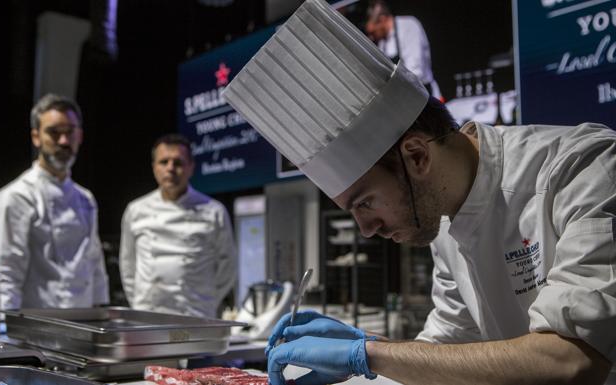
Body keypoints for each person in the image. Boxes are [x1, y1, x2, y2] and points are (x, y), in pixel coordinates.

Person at [223, 0, 615, 384]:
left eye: (364, 202)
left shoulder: (583, 167)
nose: (365, 230)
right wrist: (368, 345)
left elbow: (572, 361)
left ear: (416, 156)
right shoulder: (443, 221)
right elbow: (446, 349)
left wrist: (368, 355)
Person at [0, 93, 110, 309]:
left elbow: (94, 264)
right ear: (36, 137)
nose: (64, 141)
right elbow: (6, 272)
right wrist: (3, 330)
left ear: (80, 136)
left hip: (82, 326)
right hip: (34, 331)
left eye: (69, 132)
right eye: (54, 133)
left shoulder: (86, 199)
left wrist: (102, 313)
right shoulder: (16, 197)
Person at [119, 133, 236, 318]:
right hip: (147, 315)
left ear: (191, 168)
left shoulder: (214, 211)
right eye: (164, 162)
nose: (171, 168)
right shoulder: (135, 210)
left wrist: (207, 301)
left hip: (195, 315)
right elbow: (127, 265)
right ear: (154, 167)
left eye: (178, 163)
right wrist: (140, 302)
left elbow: (228, 266)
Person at [365, 0, 441, 99]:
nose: (371, 37)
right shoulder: (383, 42)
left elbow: (416, 72)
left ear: (382, 20)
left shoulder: (408, 26)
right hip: (403, 97)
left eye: (373, 32)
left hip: (425, 95)